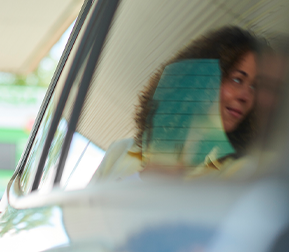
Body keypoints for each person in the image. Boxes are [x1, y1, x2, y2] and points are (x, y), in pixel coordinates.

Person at [92, 26, 262, 182]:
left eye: (254, 87)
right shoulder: (121, 151)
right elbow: (84, 214)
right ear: (201, 78)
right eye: (237, 80)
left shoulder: (239, 173)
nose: (246, 96)